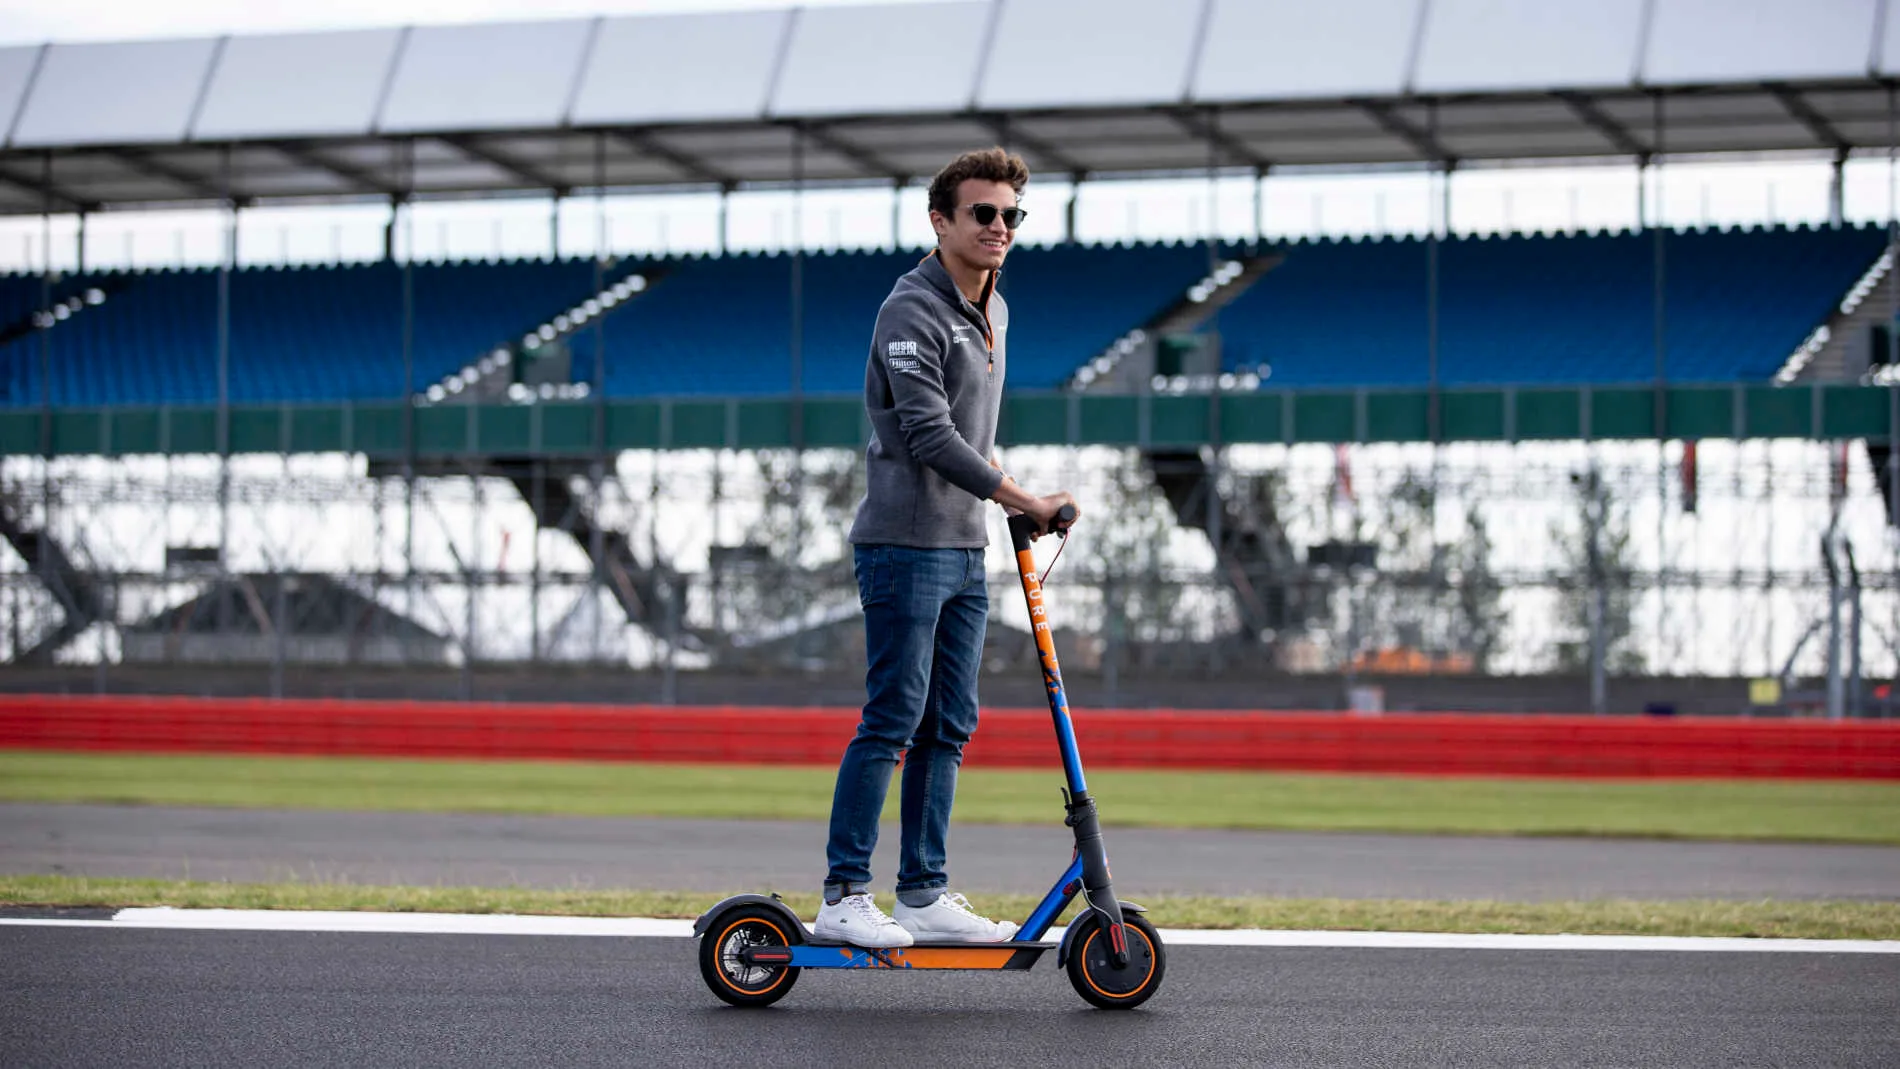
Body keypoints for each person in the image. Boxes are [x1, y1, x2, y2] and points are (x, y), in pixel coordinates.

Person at [815, 147, 1078, 948]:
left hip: (965, 547)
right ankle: (844, 893)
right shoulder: (910, 310)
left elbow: (976, 437)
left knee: (950, 721)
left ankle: (923, 892)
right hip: (903, 543)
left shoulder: (995, 309)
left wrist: (1013, 490)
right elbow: (928, 432)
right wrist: (1021, 497)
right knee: (893, 714)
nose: (1000, 227)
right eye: (984, 213)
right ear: (941, 220)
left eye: (1011, 215)